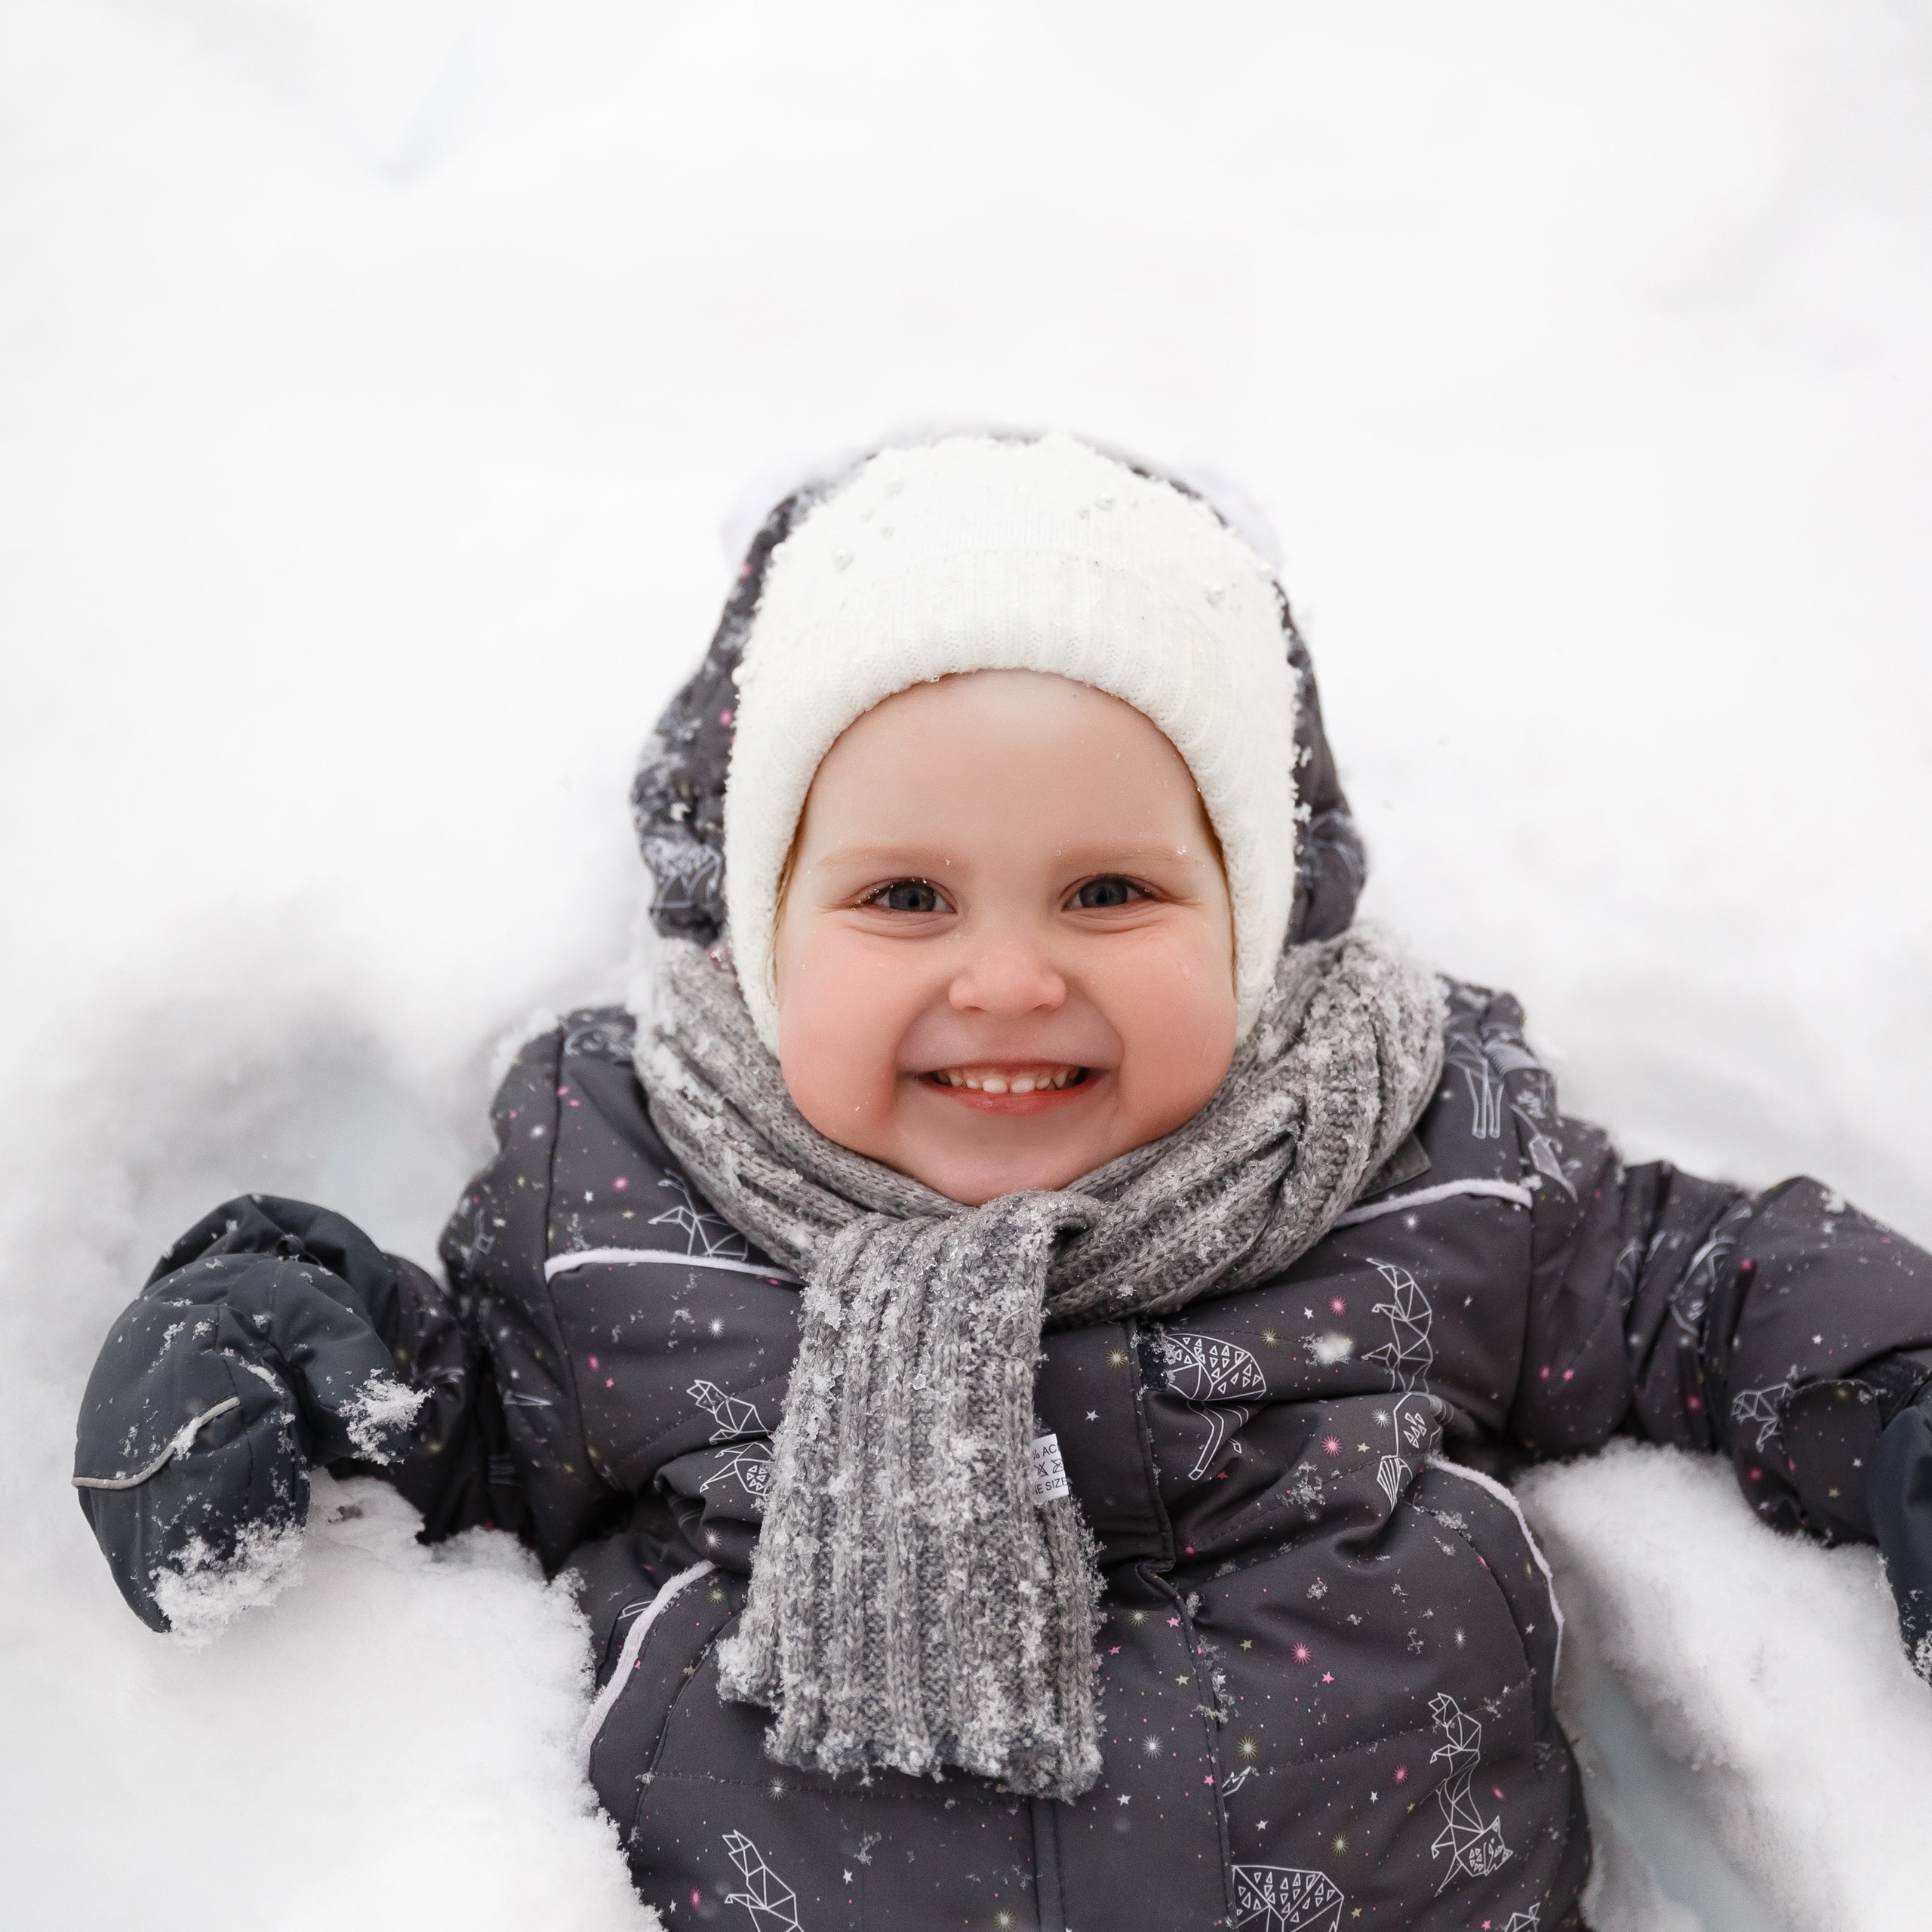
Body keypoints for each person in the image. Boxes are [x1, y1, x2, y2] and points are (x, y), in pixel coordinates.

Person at [72, 432, 1932, 1930]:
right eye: (903, 896)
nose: (1009, 975)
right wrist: (261, 1333)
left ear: (1254, 922)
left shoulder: (1413, 1165)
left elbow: (1715, 1287)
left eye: (1108, 890)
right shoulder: (626, 1201)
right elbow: (454, 1403)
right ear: (764, 937)